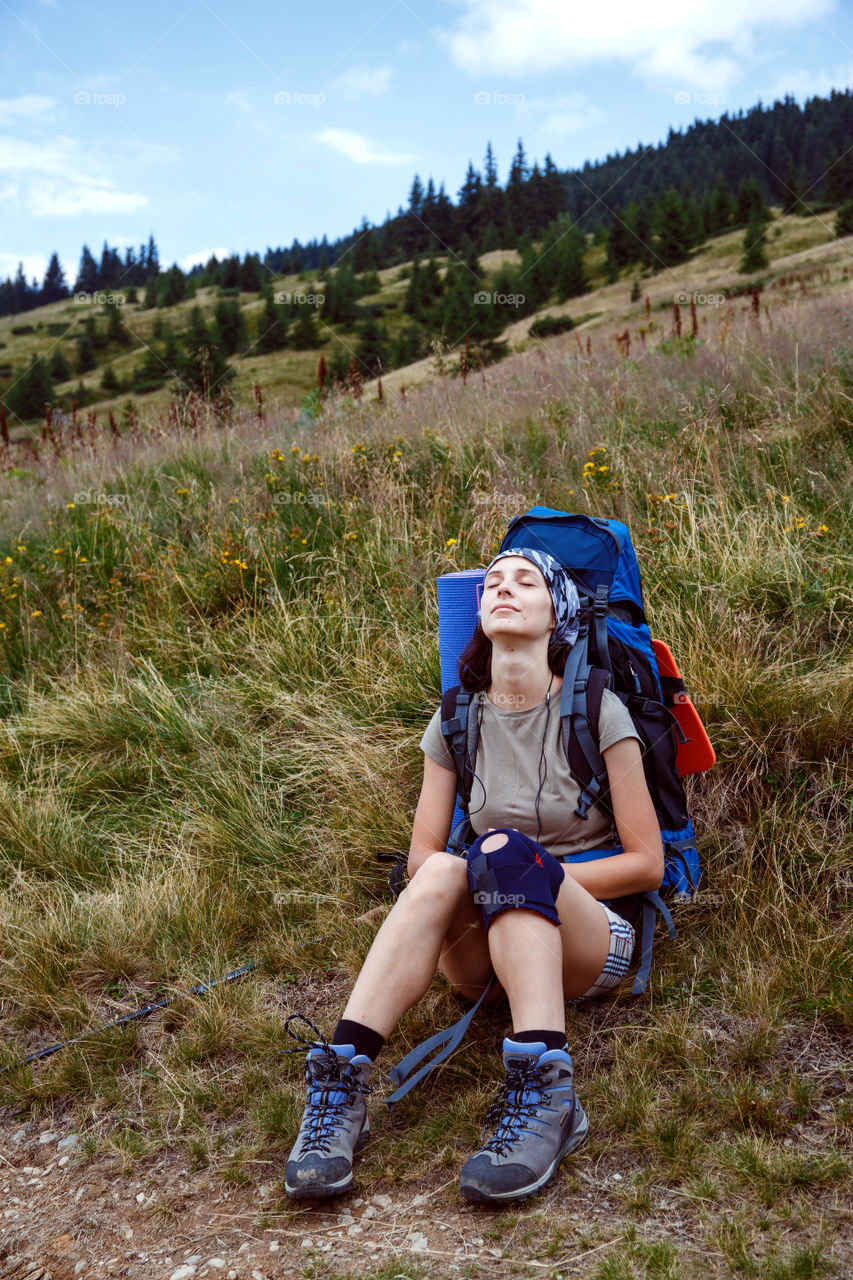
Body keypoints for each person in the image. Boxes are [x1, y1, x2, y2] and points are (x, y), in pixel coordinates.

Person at [284, 547, 664, 1205]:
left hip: (589, 940)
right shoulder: (457, 717)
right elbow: (422, 858)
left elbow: (646, 863)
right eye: (492, 582)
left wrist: (533, 874)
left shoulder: (597, 710)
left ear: (558, 616)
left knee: (505, 853)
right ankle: (340, 1087)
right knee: (436, 876)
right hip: (486, 943)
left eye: (525, 582)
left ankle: (549, 1096)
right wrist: (495, 875)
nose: (503, 589)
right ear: (479, 612)